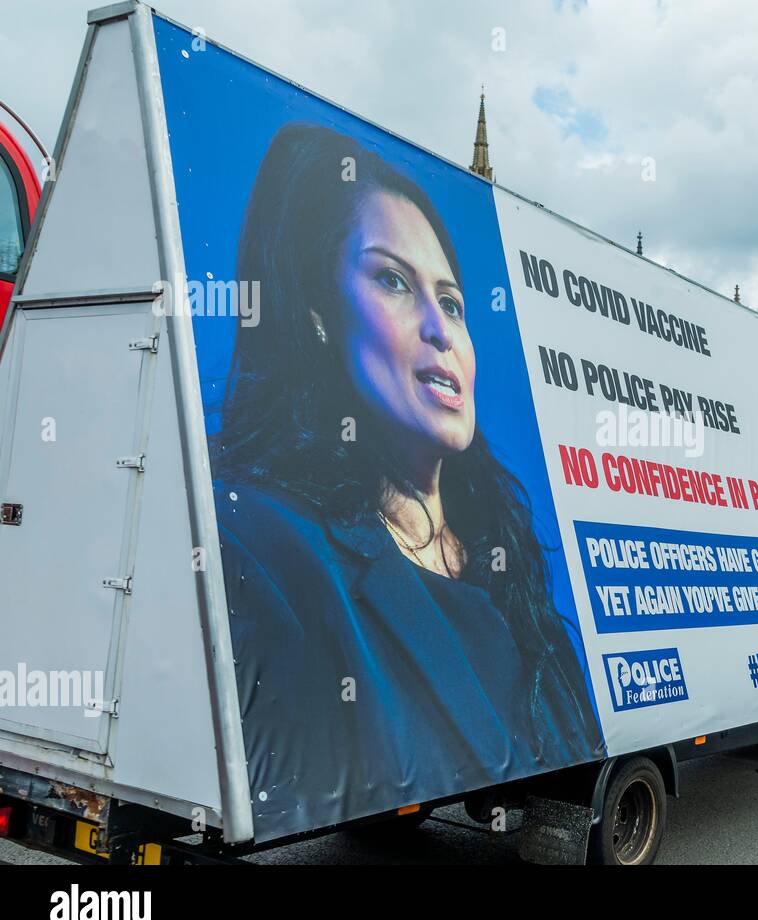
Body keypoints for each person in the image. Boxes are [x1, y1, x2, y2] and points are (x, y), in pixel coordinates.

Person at [212, 123, 603, 838]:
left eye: (451, 302)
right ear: (319, 317)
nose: (440, 329)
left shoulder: (508, 568)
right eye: (393, 280)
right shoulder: (266, 550)